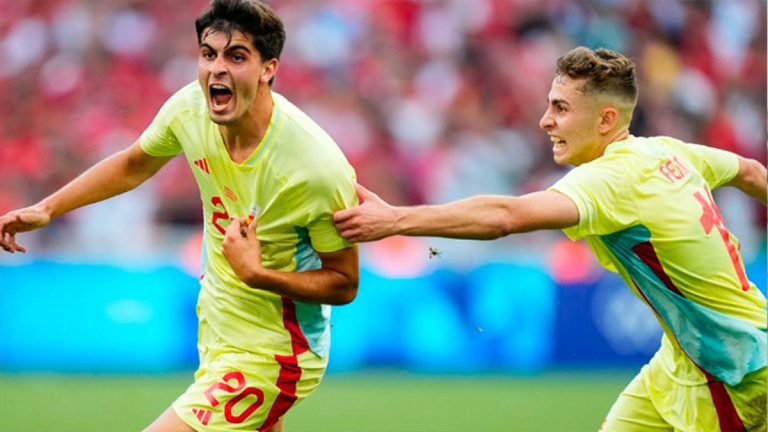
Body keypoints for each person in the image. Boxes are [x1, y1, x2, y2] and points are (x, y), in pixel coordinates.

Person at [334, 46, 767, 432]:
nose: (545, 121)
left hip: (731, 368)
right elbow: (750, 171)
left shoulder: (614, 178)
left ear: (606, 120)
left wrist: (394, 219)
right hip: (680, 360)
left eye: (560, 108)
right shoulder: (667, 150)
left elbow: (508, 216)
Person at [0, 1, 359, 431]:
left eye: (237, 56)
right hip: (219, 334)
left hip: (276, 352)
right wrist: (48, 207)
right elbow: (134, 164)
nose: (217, 69)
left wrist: (259, 275)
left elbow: (344, 283)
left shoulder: (314, 167)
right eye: (208, 55)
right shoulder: (190, 108)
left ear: (269, 68)